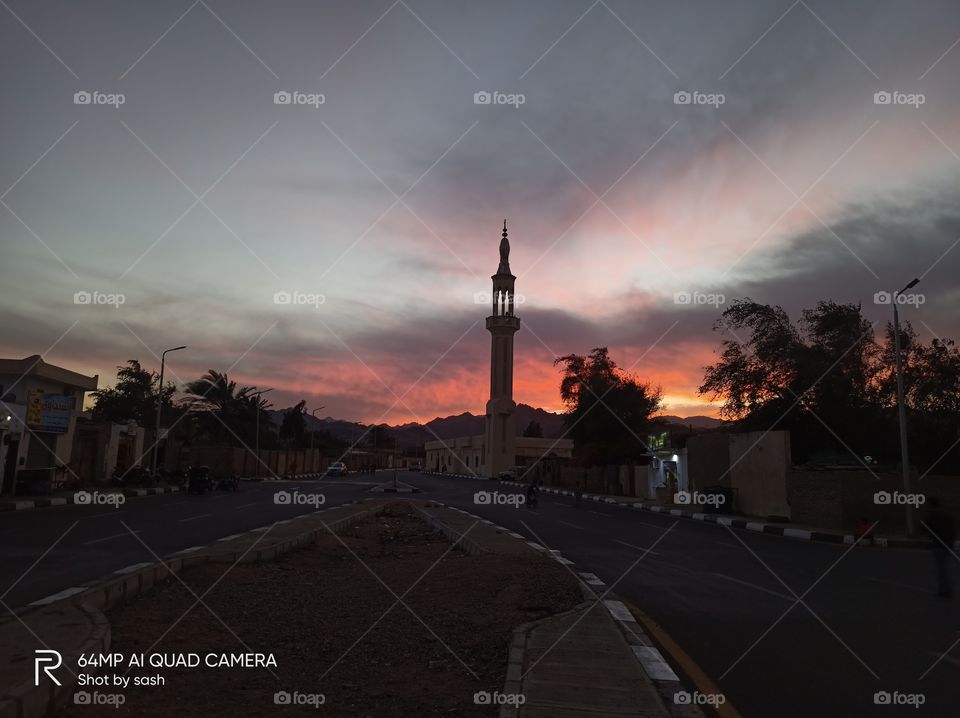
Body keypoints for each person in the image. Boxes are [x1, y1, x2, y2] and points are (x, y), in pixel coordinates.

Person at [924, 497, 956, 598]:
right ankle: (945, 589)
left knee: (941, 569)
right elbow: (953, 529)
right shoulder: (946, 515)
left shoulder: (931, 516)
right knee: (943, 567)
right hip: (948, 543)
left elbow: (925, 529)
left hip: (938, 544)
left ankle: (945, 590)